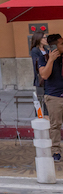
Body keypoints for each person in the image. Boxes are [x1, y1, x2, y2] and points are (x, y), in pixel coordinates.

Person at [38, 33, 63, 161]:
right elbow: (45, 75)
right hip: (54, 96)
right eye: (61, 44)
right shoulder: (44, 58)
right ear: (53, 46)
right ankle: (56, 151)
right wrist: (51, 60)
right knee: (55, 125)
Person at [32, 31, 49, 98]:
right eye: (44, 38)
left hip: (48, 76)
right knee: (42, 98)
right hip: (41, 78)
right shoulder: (35, 50)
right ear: (39, 39)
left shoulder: (46, 49)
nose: (46, 39)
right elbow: (36, 64)